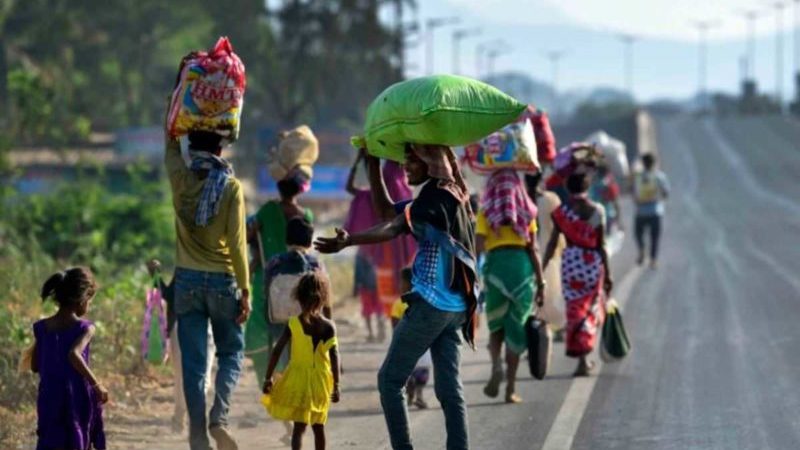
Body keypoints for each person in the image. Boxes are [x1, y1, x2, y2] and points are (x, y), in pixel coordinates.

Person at [316, 144, 477, 450]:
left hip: (432, 303)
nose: (406, 167)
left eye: (413, 160)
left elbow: (392, 226)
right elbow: (388, 210)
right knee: (449, 390)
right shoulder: (451, 193)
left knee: (390, 381)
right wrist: (373, 164)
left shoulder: (434, 199)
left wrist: (351, 240)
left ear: (431, 162)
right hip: (456, 306)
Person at [165, 124, 250, 450]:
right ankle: (220, 417)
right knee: (231, 352)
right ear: (220, 150)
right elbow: (238, 245)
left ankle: (197, 435)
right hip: (223, 281)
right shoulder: (230, 187)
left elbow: (170, 147)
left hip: (186, 283)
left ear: (191, 149)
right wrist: (245, 291)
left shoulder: (180, 179)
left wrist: (174, 113)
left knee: (194, 366)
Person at [477, 169, 546, 403]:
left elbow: (478, 247)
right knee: (516, 328)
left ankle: (496, 364)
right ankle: (511, 388)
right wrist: (541, 282)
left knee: (496, 325)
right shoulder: (528, 212)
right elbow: (534, 250)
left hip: (496, 269)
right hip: (522, 271)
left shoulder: (486, 211)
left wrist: (477, 274)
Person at [246, 166, 314, 385]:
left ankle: (269, 384)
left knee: (261, 332)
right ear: (301, 189)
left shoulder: (267, 211)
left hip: (266, 285)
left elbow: (247, 234)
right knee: (294, 334)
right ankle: (291, 383)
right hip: (298, 287)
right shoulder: (307, 215)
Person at [543, 171, 613, 377]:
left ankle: (582, 358)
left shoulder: (562, 212)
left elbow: (553, 242)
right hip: (592, 265)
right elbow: (602, 245)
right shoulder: (597, 211)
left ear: (568, 188)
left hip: (571, 264)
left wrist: (543, 266)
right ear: (587, 187)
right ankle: (585, 352)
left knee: (575, 310)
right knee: (590, 308)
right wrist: (608, 274)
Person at [262, 272, 341, 450]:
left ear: (298, 297)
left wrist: (268, 379)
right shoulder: (328, 326)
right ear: (323, 298)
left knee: (299, 428)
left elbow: (276, 351)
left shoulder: (293, 323)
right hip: (320, 382)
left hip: (297, 380)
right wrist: (337, 385)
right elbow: (335, 357)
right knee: (319, 427)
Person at [31, 267, 108, 450]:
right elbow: (74, 354)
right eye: (89, 301)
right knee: (77, 437)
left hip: (49, 396)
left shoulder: (42, 328)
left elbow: (35, 366)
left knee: (50, 439)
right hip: (76, 396)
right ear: (82, 299)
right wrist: (97, 385)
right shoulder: (85, 328)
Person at [146, 259, 214, 434]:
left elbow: (169, 295)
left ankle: (183, 415)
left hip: (182, 328)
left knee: (183, 377)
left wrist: (155, 274)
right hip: (205, 328)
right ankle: (191, 417)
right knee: (202, 378)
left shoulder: (186, 263)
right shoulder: (214, 263)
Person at [345, 150, 386, 342]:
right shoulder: (364, 194)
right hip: (367, 250)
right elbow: (349, 186)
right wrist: (357, 162)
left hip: (376, 251)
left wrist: (358, 161)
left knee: (375, 294)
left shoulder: (381, 197)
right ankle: (373, 331)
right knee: (367, 295)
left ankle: (378, 328)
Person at [389, 268, 431, 410]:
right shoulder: (425, 301)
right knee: (422, 372)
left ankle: (411, 394)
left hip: (406, 345)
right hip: (422, 344)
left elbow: (394, 325)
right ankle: (418, 395)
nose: (400, 285)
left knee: (407, 372)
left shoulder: (399, 303)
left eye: (402, 282)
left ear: (409, 283)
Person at [633, 153, 670, 269]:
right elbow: (666, 193)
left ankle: (641, 250)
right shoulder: (660, 176)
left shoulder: (638, 176)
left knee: (638, 234)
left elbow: (632, 191)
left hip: (640, 211)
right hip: (655, 211)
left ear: (643, 163)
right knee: (654, 237)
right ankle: (653, 260)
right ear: (654, 163)